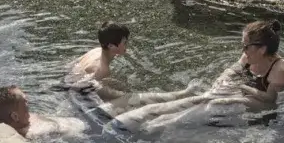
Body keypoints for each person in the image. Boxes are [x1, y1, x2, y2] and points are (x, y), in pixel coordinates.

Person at [110, 19, 284, 133]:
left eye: (246, 46)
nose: (242, 50)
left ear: (262, 49)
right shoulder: (249, 55)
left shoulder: (280, 70)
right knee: (203, 98)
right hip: (243, 94)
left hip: (261, 106)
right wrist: (223, 79)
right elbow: (234, 69)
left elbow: (270, 101)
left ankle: (158, 126)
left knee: (214, 103)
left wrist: (240, 89)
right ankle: (144, 116)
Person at [67, 21, 199, 113]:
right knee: (132, 98)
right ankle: (183, 95)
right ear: (111, 46)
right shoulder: (103, 69)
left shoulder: (95, 51)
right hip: (81, 94)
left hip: (72, 78)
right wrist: (125, 94)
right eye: (124, 42)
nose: (127, 45)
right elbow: (91, 88)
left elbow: (72, 64)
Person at [0, 85, 86, 142]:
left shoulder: (23, 118)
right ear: (15, 116)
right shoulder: (35, 134)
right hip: (83, 133)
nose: (28, 103)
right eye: (24, 101)